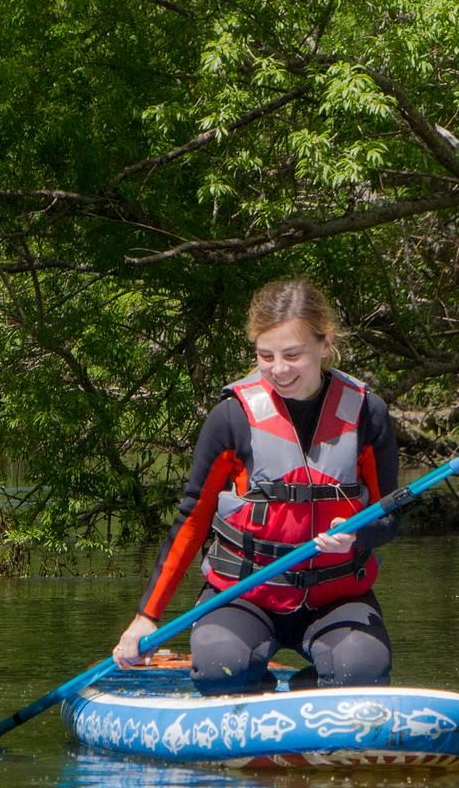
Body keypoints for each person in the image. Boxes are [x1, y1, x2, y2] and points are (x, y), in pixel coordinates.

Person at [112, 278, 400, 693]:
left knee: (361, 672)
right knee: (220, 670)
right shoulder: (231, 418)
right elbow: (193, 520)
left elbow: (391, 516)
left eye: (293, 355)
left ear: (325, 343)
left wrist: (358, 536)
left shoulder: (367, 414)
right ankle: (249, 678)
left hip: (337, 599)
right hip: (244, 596)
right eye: (266, 356)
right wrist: (146, 616)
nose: (279, 370)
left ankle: (313, 686)